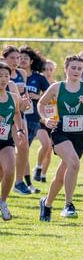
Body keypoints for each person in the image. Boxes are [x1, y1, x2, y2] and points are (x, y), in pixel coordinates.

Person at [38, 54, 83, 221]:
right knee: (74, 163)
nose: (76, 71)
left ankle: (46, 204)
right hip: (61, 133)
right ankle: (68, 205)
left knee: (62, 175)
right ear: (66, 69)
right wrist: (45, 119)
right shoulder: (57, 87)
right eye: (73, 68)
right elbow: (41, 103)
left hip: (80, 136)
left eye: (79, 68)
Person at [19, 46, 50, 194]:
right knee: (22, 151)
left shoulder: (39, 78)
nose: (22, 60)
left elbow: (50, 95)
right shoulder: (12, 76)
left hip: (34, 118)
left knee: (44, 144)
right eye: (20, 57)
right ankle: (27, 183)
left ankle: (31, 176)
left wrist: (37, 97)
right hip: (16, 117)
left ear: (31, 61)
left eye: (26, 58)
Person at [2, 45, 32, 196]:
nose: (16, 61)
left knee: (23, 145)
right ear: (4, 59)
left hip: (16, 115)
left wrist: (26, 104)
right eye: (12, 58)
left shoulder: (22, 73)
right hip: (3, 116)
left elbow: (20, 103)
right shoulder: (3, 75)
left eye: (18, 58)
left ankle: (19, 182)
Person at [0, 61, 27, 220]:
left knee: (10, 171)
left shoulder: (13, 97)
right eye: (0, 76)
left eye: (6, 76)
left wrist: (20, 129)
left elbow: (17, 113)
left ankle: (3, 202)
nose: (3, 79)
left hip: (5, 141)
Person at [34, 59, 57, 182]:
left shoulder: (57, 85)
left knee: (49, 150)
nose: (47, 72)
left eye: (50, 69)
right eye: (45, 69)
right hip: (41, 120)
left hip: (53, 120)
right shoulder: (38, 84)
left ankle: (42, 174)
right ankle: (37, 167)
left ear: (54, 71)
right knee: (46, 144)